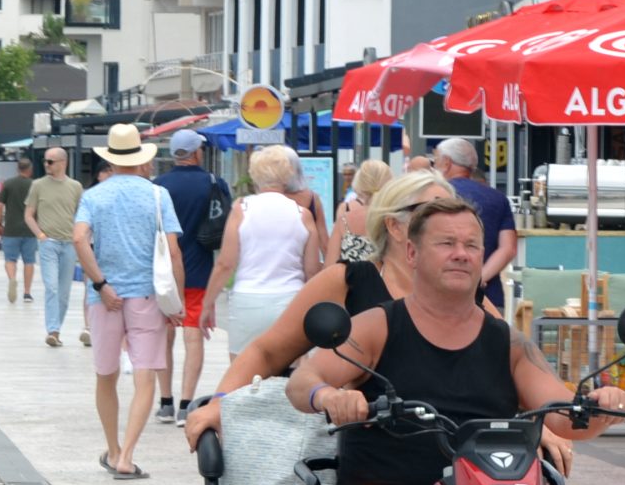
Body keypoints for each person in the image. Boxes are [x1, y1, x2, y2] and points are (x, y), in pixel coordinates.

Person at [286, 197, 625, 485]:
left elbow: (563, 415)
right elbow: (304, 379)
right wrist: (329, 396)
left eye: (471, 245)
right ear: (412, 253)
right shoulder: (378, 324)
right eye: (446, 243)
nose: (461, 254)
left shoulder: (508, 342)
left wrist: (601, 408)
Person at [181, 168, 449, 449]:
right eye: (433, 211)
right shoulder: (348, 281)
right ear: (394, 225)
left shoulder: (464, 289)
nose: (449, 221)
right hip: (377, 453)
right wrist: (219, 403)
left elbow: (499, 351)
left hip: (458, 452)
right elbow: (268, 351)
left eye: (455, 210)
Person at [69, 123, 186, 481]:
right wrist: (176, 303)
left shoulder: (94, 196)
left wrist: (101, 283)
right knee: (146, 376)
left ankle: (113, 448)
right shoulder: (157, 195)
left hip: (104, 299)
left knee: (106, 376)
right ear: (140, 158)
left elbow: (78, 240)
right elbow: (175, 251)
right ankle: (128, 456)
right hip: (147, 297)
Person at [200, 144, 323, 359]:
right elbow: (311, 271)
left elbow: (225, 264)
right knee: (290, 375)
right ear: (287, 175)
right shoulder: (303, 215)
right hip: (290, 301)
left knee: (242, 375)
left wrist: (208, 303)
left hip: (248, 300)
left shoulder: (241, 209)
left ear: (255, 175)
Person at [156, 129, 230, 421]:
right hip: (199, 268)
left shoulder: (158, 186)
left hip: (163, 274)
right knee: (192, 337)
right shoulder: (213, 183)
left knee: (164, 336)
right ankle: (187, 405)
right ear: (196, 153)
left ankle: (165, 402)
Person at [434, 136, 518, 310]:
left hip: (441, 295)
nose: (434, 167)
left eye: (435, 161)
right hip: (489, 297)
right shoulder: (498, 198)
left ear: (446, 162)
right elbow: (508, 248)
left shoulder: (436, 196)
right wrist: (479, 277)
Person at [25, 144, 84, 349]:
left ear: (62, 163)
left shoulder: (75, 186)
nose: (46, 165)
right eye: (45, 161)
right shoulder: (38, 185)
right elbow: (29, 215)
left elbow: (81, 215)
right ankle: (53, 330)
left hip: (69, 244)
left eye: (50, 161)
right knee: (51, 287)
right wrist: (41, 235)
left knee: (64, 292)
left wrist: (79, 236)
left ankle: (56, 329)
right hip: (48, 243)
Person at [335, 158, 391, 263]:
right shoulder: (399, 220)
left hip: (351, 279)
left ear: (359, 184)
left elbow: (331, 264)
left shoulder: (345, 219)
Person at [0, 154, 36, 301]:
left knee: (10, 259)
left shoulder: (8, 184)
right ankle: (27, 293)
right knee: (29, 261)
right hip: (30, 229)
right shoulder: (34, 185)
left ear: (17, 168)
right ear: (29, 170)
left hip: (11, 229)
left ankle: (12, 278)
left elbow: (0, 205)